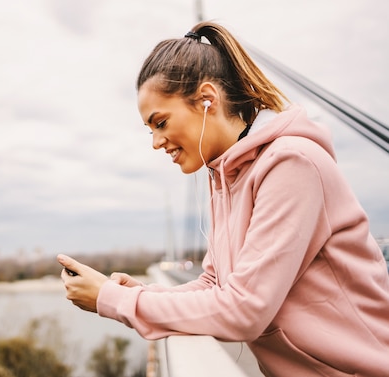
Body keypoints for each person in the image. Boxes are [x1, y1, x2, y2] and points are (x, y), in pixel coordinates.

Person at [57, 21, 389, 377]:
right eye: (150, 129)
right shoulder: (225, 178)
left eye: (161, 122)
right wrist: (142, 292)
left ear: (207, 100)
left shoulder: (292, 164)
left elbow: (244, 310)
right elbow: (213, 286)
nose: (155, 141)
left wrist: (113, 300)